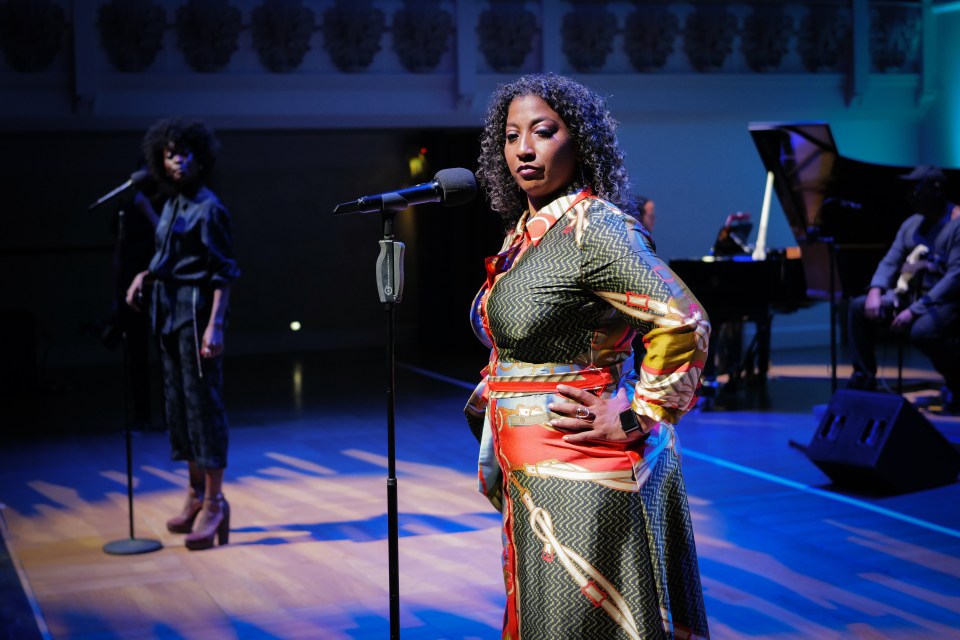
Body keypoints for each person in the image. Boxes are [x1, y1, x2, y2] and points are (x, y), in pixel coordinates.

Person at [464, 74, 711, 639]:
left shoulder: (594, 228)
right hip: (535, 469)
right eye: (511, 135)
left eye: (543, 132)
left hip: (584, 468)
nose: (524, 149)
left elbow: (684, 321)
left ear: (581, 142)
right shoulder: (527, 232)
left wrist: (636, 414)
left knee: (578, 625)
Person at [125, 118, 241, 550]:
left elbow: (224, 274)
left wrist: (214, 326)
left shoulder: (210, 207)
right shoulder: (173, 203)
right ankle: (194, 494)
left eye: (186, 152)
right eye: (171, 153)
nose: (179, 160)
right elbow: (168, 254)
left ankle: (215, 502)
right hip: (168, 313)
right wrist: (144, 274)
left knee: (203, 409)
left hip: (195, 315)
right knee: (178, 409)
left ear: (200, 157)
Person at [847, 165, 960, 412]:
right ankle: (864, 380)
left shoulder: (957, 223)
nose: (911, 195)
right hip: (911, 296)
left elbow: (955, 277)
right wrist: (876, 290)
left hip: (945, 301)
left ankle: (957, 382)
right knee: (858, 307)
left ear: (936, 189)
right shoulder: (911, 224)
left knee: (923, 331)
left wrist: (915, 310)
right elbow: (890, 260)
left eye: (917, 189)